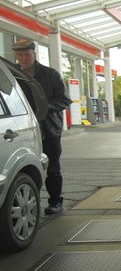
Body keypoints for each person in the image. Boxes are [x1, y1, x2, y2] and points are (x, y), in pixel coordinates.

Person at [12, 38, 71, 215]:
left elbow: (64, 100)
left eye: (27, 55)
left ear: (34, 54)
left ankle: (55, 202)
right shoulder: (11, 74)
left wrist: (43, 109)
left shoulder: (50, 74)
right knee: (26, 167)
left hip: (49, 129)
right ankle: (30, 202)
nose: (23, 58)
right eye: (20, 55)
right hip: (22, 130)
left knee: (52, 166)